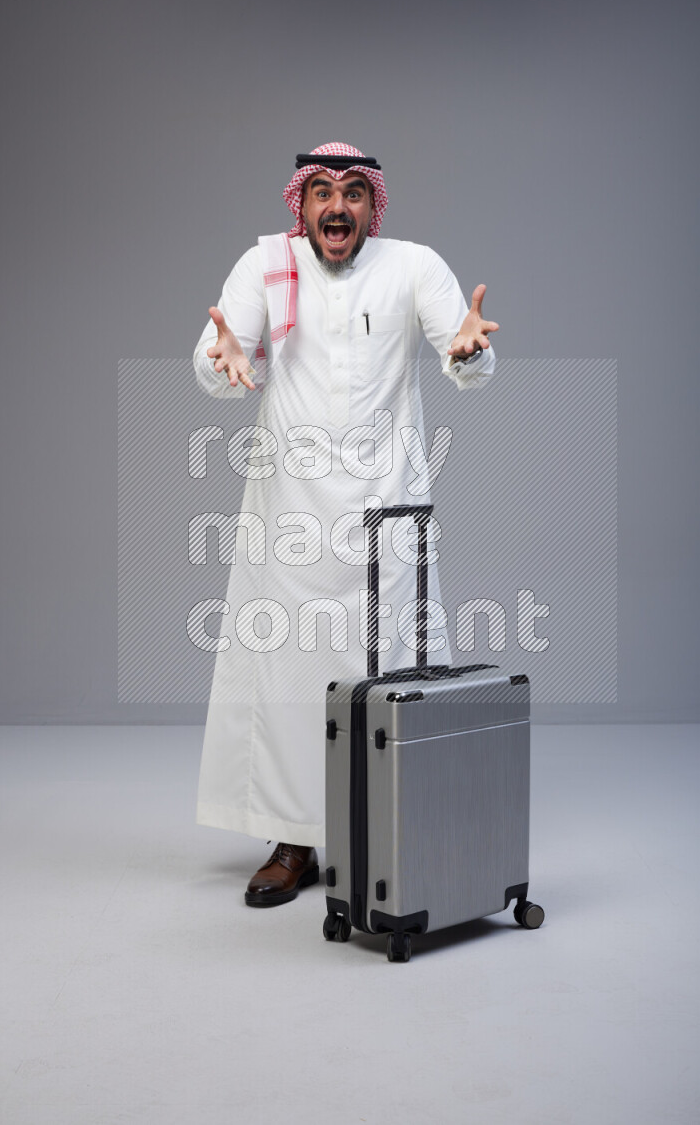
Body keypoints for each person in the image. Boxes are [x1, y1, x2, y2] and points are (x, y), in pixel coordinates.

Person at [192, 142, 498, 907]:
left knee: (393, 665)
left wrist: (467, 352)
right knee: (291, 674)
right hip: (290, 510)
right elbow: (222, 354)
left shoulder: (413, 265)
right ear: (300, 205)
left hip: (384, 505)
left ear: (373, 206)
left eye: (354, 194)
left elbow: (462, 352)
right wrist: (222, 357)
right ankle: (293, 843)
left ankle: (396, 833)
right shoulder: (266, 264)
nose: (337, 207)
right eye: (323, 192)